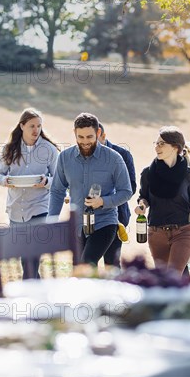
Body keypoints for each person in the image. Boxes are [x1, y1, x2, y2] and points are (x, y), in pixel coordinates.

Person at [49, 113, 132, 265]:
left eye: (89, 137)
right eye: (80, 137)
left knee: (86, 264)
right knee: (79, 270)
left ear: (98, 133)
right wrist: (51, 219)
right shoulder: (65, 158)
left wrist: (103, 201)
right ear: (74, 133)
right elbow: (57, 191)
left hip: (105, 222)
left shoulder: (114, 158)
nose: (85, 142)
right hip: (77, 226)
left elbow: (126, 191)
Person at [0, 108, 60, 278]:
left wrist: (46, 182)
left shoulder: (49, 150)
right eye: (32, 125)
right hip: (16, 208)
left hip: (40, 206)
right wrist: (5, 181)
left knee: (33, 253)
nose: (36, 130)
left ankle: (29, 286)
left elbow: (60, 180)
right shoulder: (9, 149)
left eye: (39, 126)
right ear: (22, 126)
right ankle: (34, 287)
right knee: (24, 254)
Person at [134, 126, 190, 277]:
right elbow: (144, 196)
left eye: (161, 143)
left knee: (173, 275)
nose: (157, 147)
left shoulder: (189, 174)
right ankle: (185, 300)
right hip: (156, 234)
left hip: (183, 231)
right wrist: (142, 205)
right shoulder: (147, 173)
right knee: (166, 280)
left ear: (175, 147)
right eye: (156, 143)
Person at [98, 122, 136, 268]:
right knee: (86, 262)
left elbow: (130, 187)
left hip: (117, 216)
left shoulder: (123, 155)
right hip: (88, 216)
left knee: (112, 262)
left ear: (103, 136)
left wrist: (104, 199)